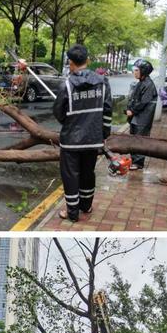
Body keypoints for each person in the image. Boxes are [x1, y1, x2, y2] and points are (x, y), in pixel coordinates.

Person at [53, 44, 112, 222]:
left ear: (70, 63)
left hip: (71, 141)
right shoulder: (103, 83)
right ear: (87, 60)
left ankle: (72, 213)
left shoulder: (67, 85)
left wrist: (69, 122)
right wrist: (103, 134)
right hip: (93, 139)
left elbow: (58, 112)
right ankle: (86, 206)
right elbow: (107, 110)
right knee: (88, 172)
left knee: (71, 176)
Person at [125, 59, 157, 170]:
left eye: (136, 70)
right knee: (134, 138)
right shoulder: (141, 82)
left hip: (143, 118)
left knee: (140, 139)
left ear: (144, 71)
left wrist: (132, 110)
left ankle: (138, 163)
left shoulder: (148, 84)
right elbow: (134, 98)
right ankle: (134, 160)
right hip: (137, 117)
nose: (134, 72)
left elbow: (143, 102)